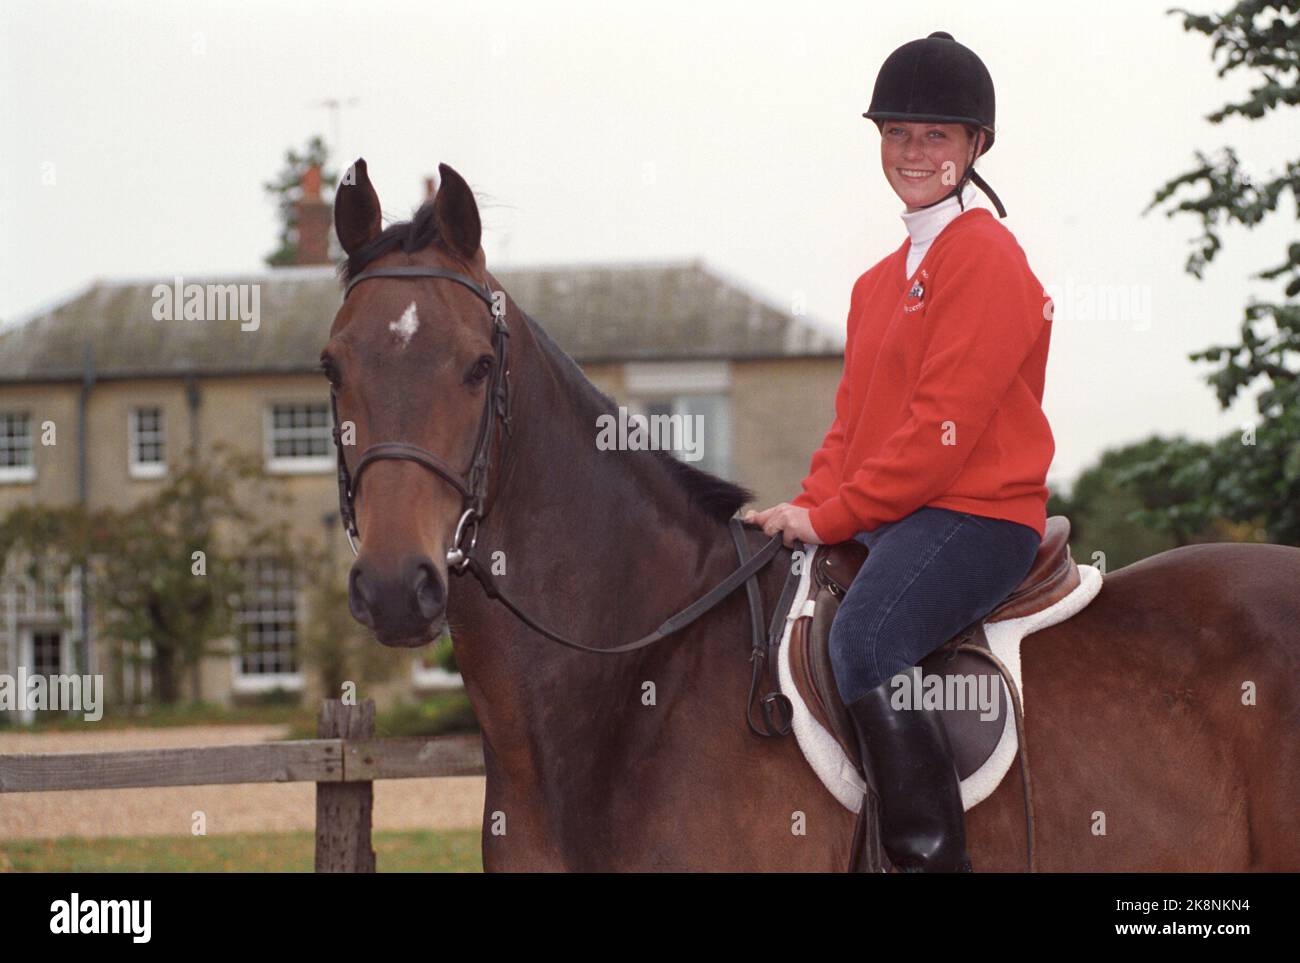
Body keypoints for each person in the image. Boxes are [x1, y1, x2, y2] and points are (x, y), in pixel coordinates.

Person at [743, 31, 1054, 872]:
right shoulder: (876, 284)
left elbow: (937, 434)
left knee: (867, 639)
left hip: (976, 514)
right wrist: (803, 510)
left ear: (974, 146)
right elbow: (855, 428)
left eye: (936, 136)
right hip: (900, 514)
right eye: (897, 132)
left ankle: (926, 860)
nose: (913, 152)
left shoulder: (986, 256)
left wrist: (836, 514)